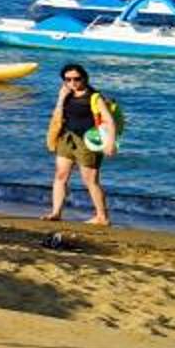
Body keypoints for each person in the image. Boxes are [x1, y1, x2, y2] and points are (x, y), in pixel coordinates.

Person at [45, 63, 118, 226]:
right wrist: (61, 98)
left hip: (88, 142)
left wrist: (110, 143)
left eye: (76, 79)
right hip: (66, 138)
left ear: (84, 78)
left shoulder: (94, 97)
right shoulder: (66, 94)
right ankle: (56, 212)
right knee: (60, 176)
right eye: (68, 79)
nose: (72, 82)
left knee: (90, 180)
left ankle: (102, 217)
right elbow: (57, 115)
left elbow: (109, 121)